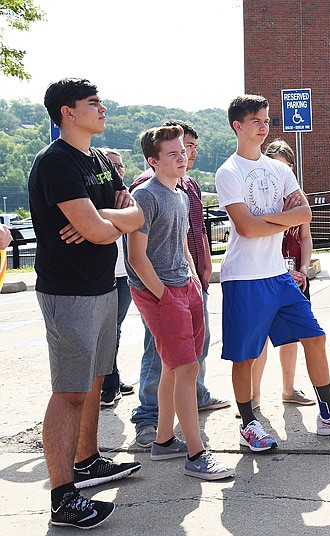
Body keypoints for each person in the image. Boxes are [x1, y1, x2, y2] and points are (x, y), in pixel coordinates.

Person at [215, 94, 330, 452]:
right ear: (238, 126)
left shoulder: (281, 169)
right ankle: (248, 424)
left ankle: (328, 415)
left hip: (278, 275)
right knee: (246, 355)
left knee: (315, 337)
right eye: (257, 120)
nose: (264, 126)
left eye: (267, 120)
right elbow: (247, 229)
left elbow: (305, 216)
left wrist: (266, 220)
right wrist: (278, 219)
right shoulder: (229, 172)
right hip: (244, 277)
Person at [28, 78, 144, 529]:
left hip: (101, 286)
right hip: (67, 291)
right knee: (70, 391)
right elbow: (102, 229)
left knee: (95, 381)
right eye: (93, 103)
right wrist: (105, 222)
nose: (103, 108)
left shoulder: (98, 159)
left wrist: (104, 219)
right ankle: (62, 497)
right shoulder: (55, 162)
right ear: (66, 113)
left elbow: (134, 216)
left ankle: (88, 461)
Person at [127, 124, 235, 480]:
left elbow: (185, 242)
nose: (182, 157)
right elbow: (136, 258)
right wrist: (164, 295)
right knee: (187, 368)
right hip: (160, 292)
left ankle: (162, 441)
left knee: (175, 367)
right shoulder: (146, 195)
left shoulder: (182, 192)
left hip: (185, 286)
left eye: (183, 151)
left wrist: (191, 277)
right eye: (172, 154)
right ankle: (196, 454)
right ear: (153, 161)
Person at [241, 139, 316, 414]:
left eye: (287, 167)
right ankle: (254, 395)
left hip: (296, 277)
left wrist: (304, 268)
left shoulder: (299, 198)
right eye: (276, 167)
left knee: (292, 336)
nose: (281, 173)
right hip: (267, 275)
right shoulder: (258, 201)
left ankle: (289, 389)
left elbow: (306, 238)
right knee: (258, 339)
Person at [100, 149, 135, 406]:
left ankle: (111, 376)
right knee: (107, 330)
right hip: (103, 275)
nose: (118, 171)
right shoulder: (97, 199)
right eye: (113, 166)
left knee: (115, 329)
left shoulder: (127, 200)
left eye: (121, 166)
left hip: (125, 276)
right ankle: (108, 385)